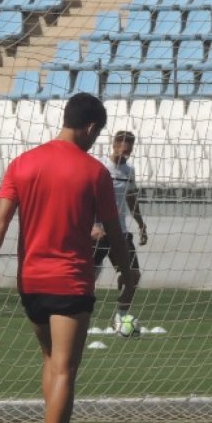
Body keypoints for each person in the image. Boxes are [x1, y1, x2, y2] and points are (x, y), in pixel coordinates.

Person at [0, 93, 140, 423]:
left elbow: (0, 222)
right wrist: (127, 272)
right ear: (93, 128)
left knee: (50, 361)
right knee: (66, 369)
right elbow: (114, 232)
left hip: (30, 281)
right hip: (69, 280)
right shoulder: (93, 172)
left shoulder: (23, 163)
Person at [92, 130, 148, 331]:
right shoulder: (100, 167)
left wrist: (141, 224)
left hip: (121, 232)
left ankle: (120, 318)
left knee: (133, 276)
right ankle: (80, 317)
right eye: (124, 148)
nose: (127, 153)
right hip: (99, 232)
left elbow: (131, 198)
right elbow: (88, 198)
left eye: (130, 150)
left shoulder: (129, 171)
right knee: (87, 277)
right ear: (114, 145)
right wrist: (92, 225)